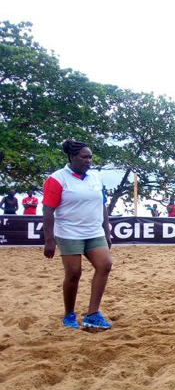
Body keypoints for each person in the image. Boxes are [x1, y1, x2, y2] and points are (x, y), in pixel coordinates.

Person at [42, 139, 113, 330]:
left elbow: (102, 205)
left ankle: (92, 314)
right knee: (74, 273)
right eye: (84, 157)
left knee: (105, 265)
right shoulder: (57, 179)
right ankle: (69, 314)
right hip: (69, 232)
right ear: (72, 157)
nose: (88, 160)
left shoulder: (96, 177)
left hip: (94, 231)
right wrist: (49, 240)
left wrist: (107, 231)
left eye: (90, 157)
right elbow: (48, 210)